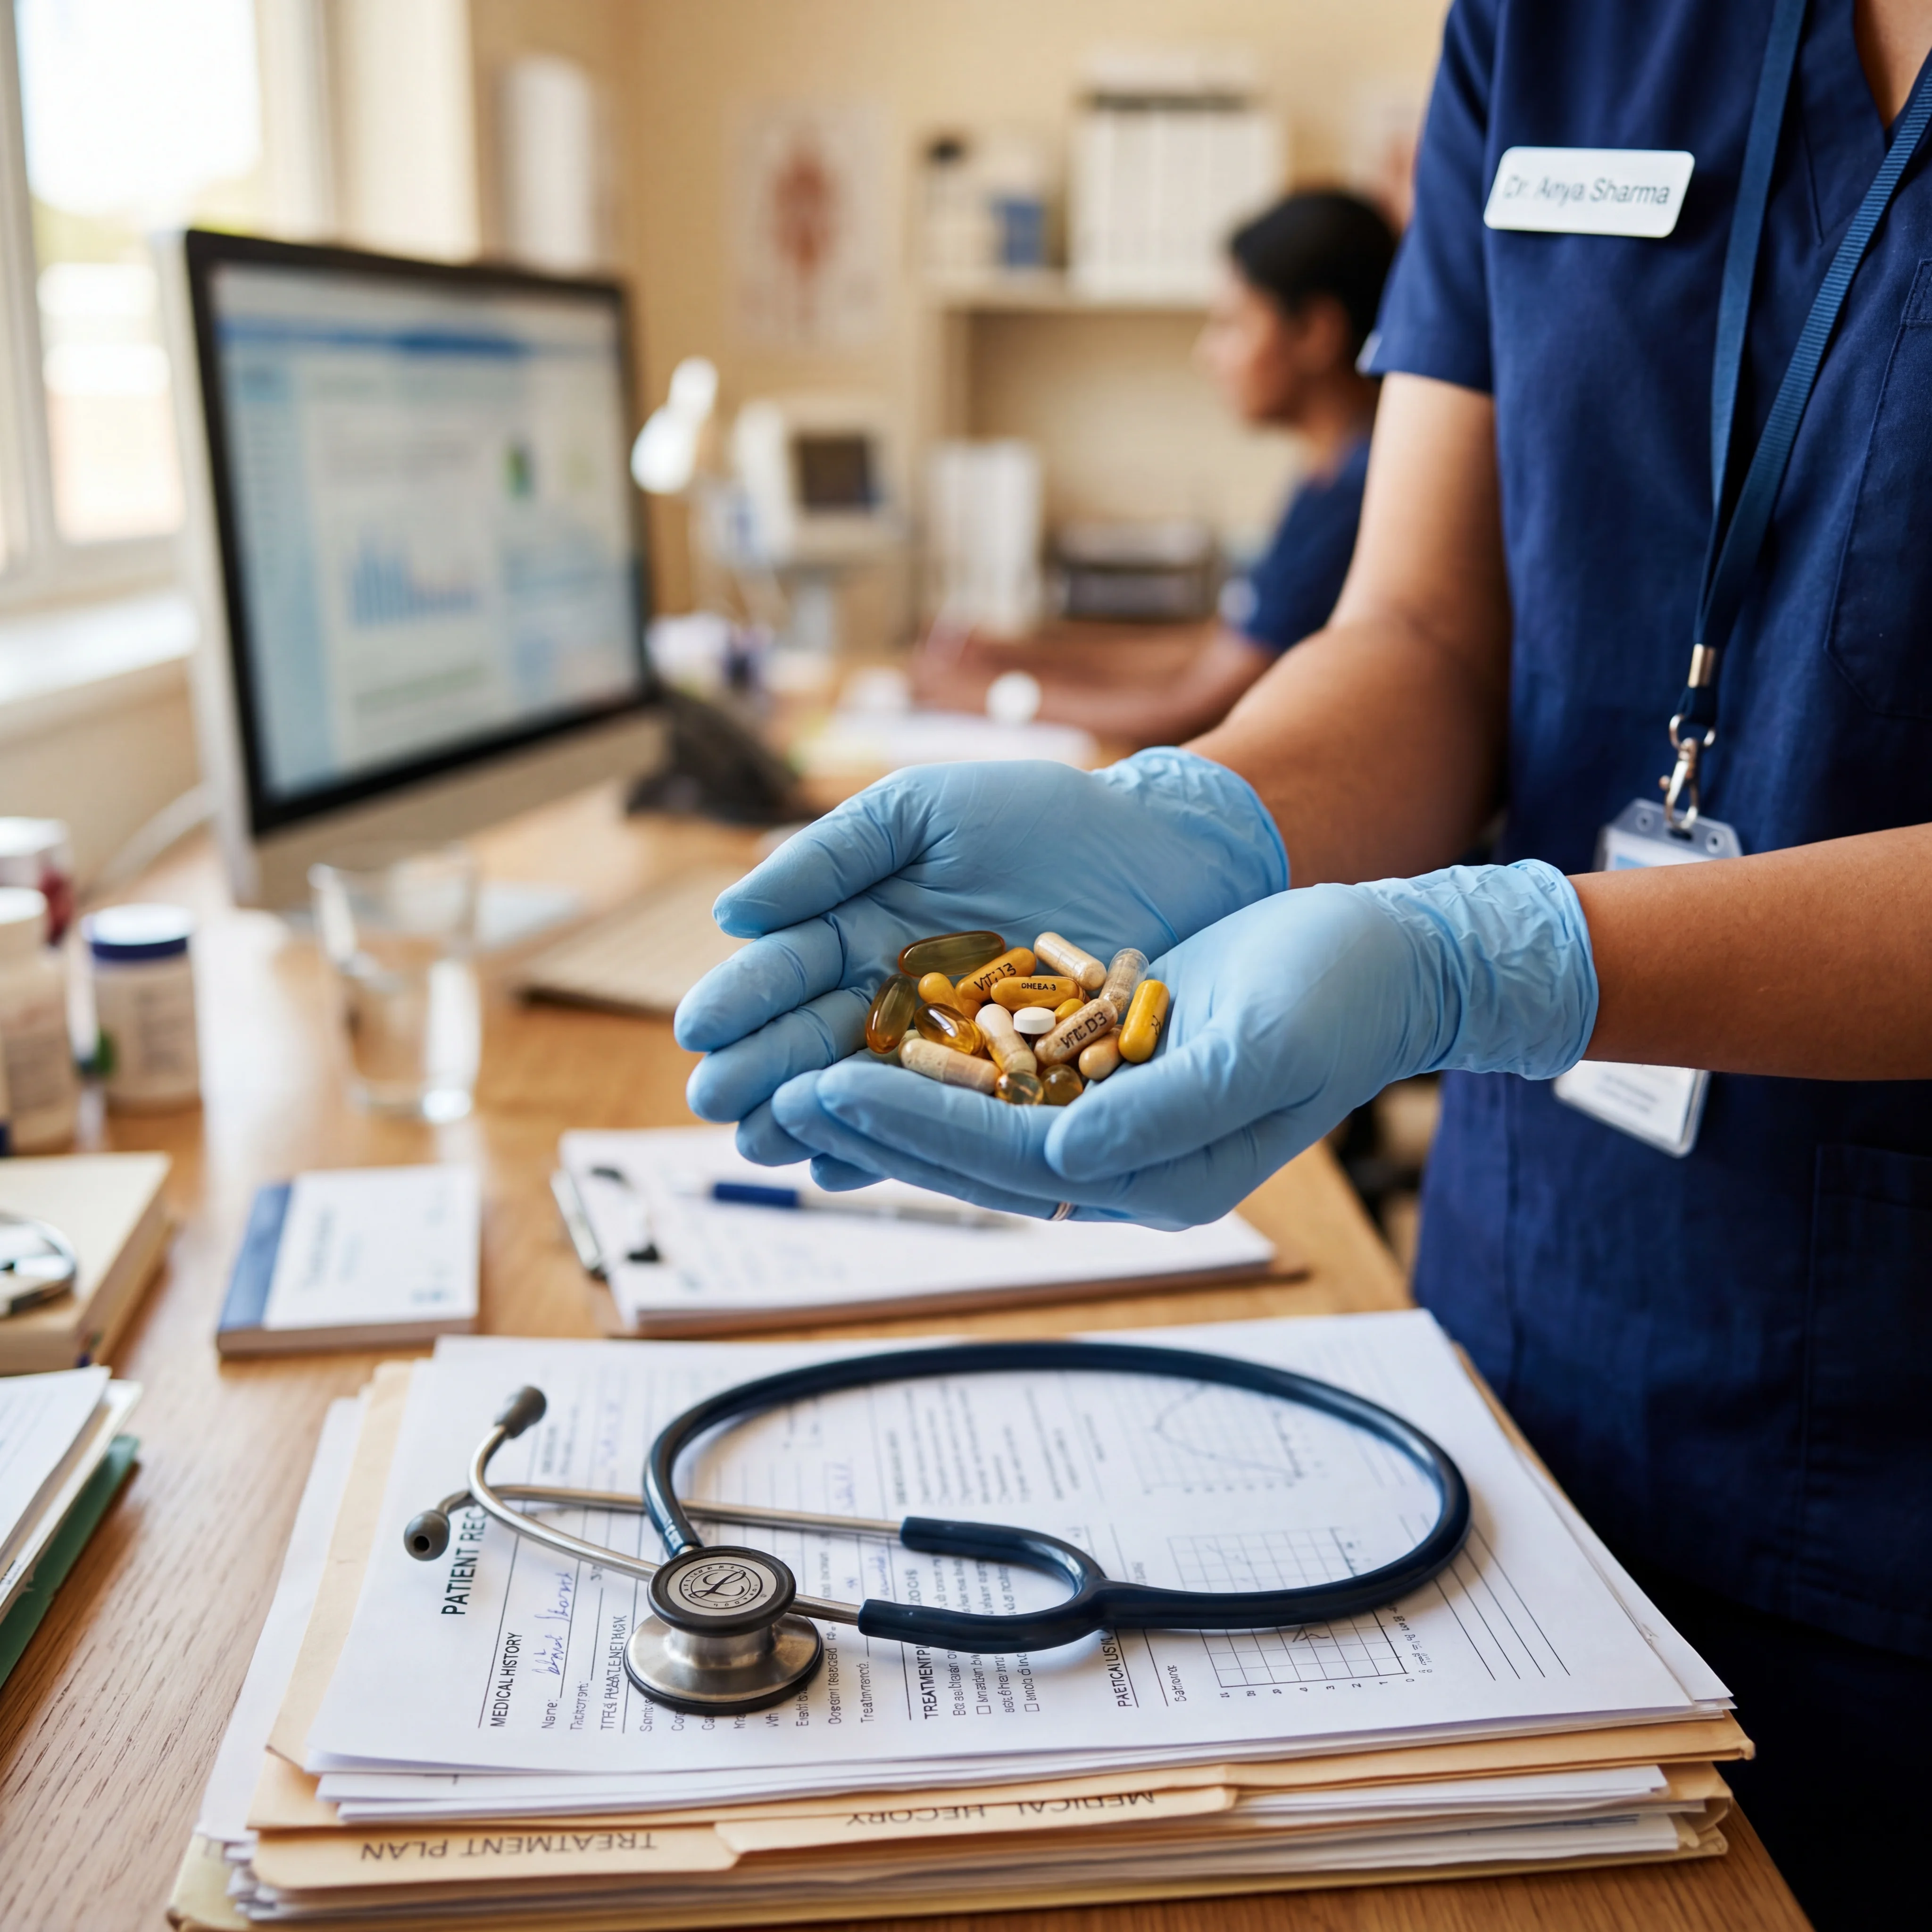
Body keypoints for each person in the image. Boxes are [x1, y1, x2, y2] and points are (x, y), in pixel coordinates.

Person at [674, 2, 1932, 1923]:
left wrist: (1485, 957)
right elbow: (1426, 623)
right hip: (1526, 1328)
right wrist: (1208, 814)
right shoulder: (1553, 25)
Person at [914, 191, 1394, 746]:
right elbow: (1213, 650)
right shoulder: (1328, 476)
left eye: (1231, 324)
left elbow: (1196, 707)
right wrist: (1017, 655)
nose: (1208, 355)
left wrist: (987, 698)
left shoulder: (1353, 499)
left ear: (1315, 332)